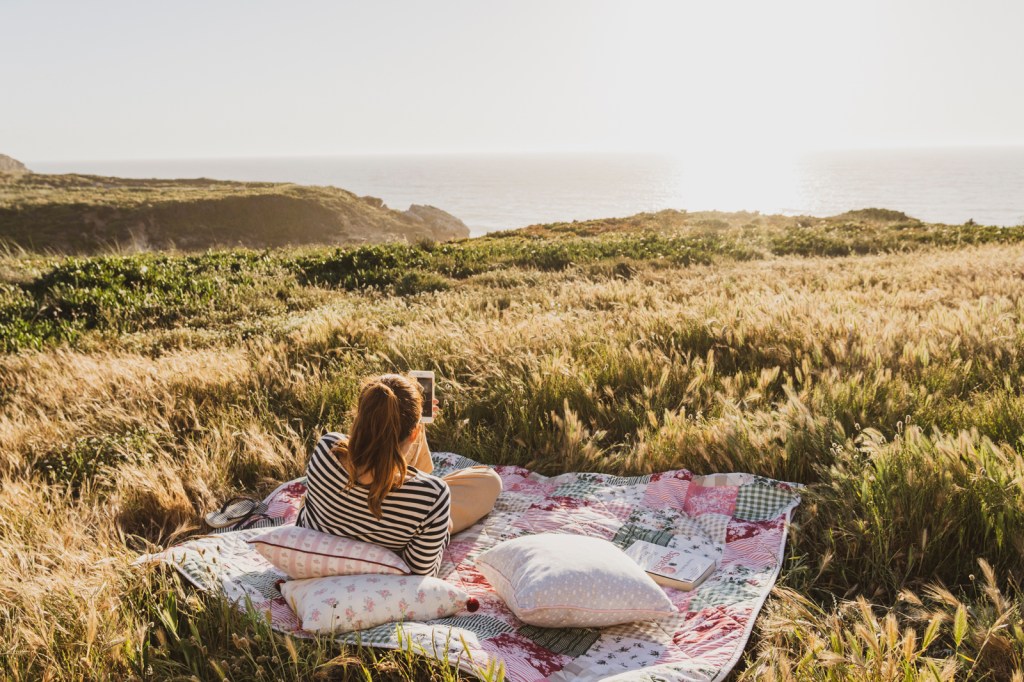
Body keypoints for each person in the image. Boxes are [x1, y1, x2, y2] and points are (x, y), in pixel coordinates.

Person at [295, 373, 502, 576]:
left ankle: (397, 434)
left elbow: (370, 447)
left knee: (399, 469)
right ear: (414, 434)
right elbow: (422, 572)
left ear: (360, 416)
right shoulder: (434, 495)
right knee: (489, 481)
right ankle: (430, 515)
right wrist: (443, 529)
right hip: (410, 516)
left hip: (334, 519)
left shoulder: (326, 448)